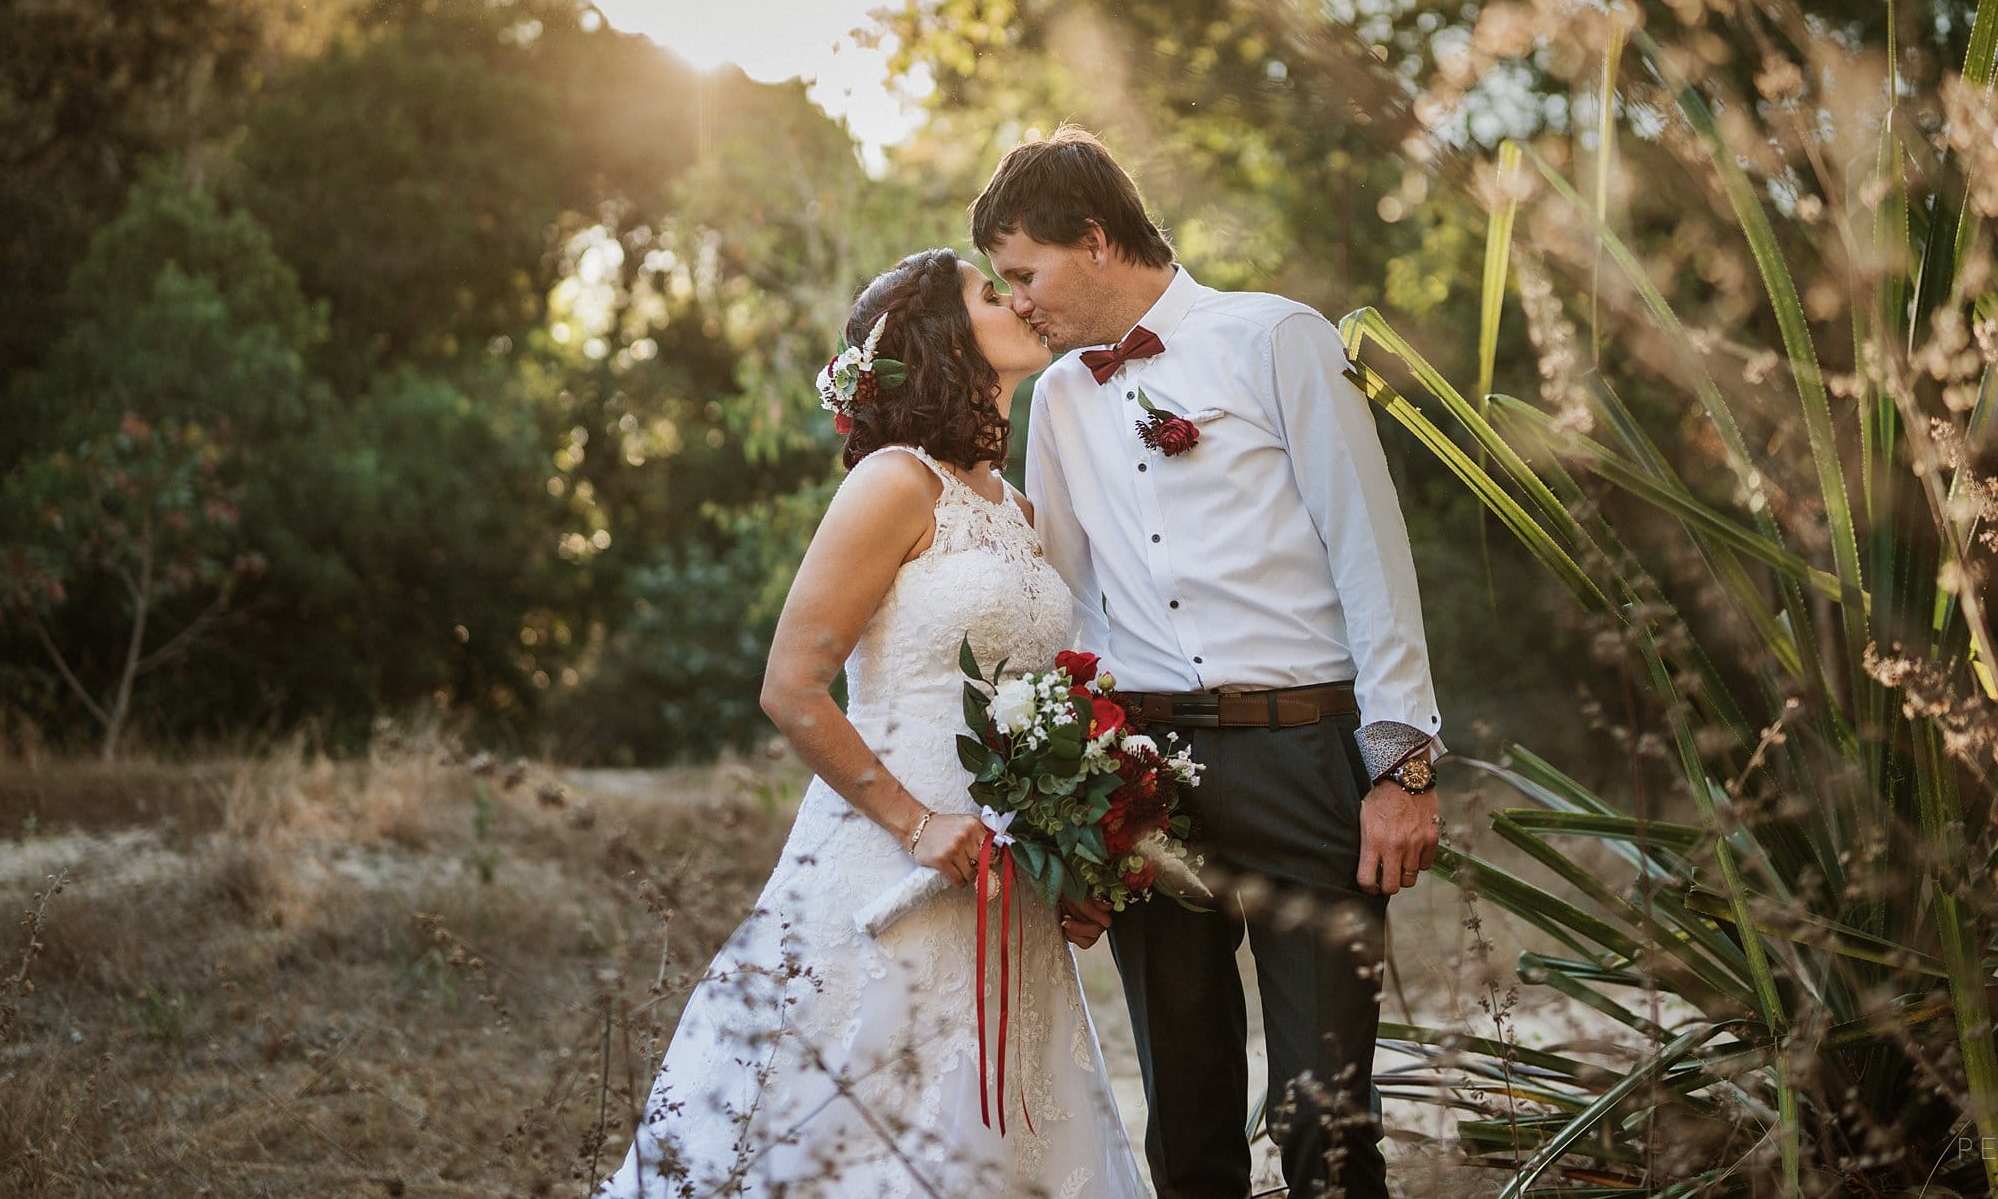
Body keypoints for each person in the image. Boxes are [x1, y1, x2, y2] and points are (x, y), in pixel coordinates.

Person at [595, 247, 1149, 1199]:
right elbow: (792, 686)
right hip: (889, 858)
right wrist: (915, 823)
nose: (1016, 299)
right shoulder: (895, 483)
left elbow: (1041, 707)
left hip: (1002, 878)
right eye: (990, 290)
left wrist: (1075, 859)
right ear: (943, 338)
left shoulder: (1017, 508)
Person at [975, 129, 1444, 1199]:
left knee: (1324, 1122)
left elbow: (1370, 550)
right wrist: (1072, 820)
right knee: (1184, 1126)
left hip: (1304, 761)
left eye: (1025, 274)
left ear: (1094, 240)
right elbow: (1066, 609)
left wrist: (1402, 767)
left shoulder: (1277, 338)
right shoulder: (1056, 401)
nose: (1018, 304)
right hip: (1144, 783)